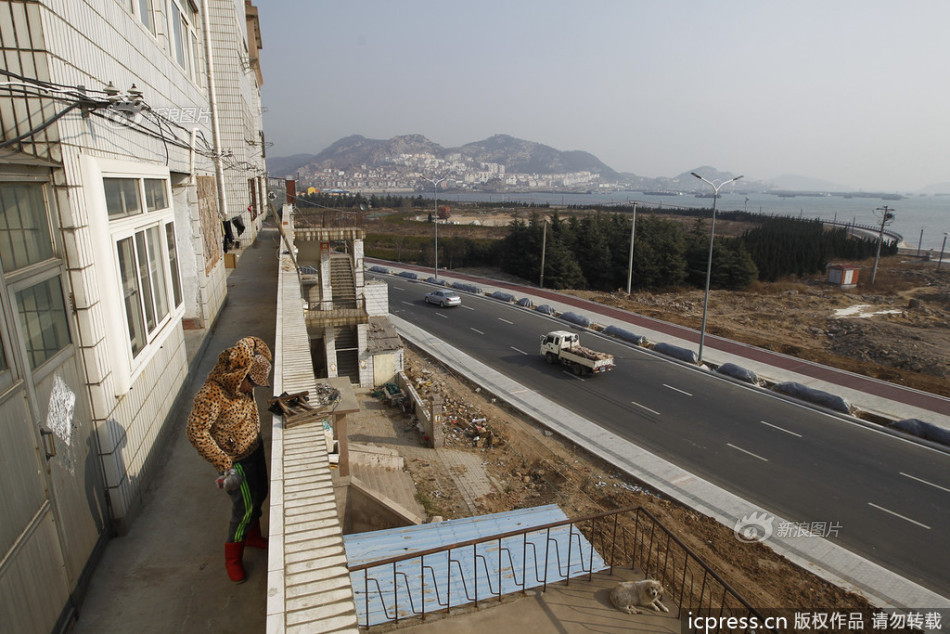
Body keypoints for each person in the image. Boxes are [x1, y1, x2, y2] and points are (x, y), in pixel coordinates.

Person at [187, 335, 273, 583]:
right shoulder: (211, 395)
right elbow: (195, 432)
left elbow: (254, 343)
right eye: (252, 384)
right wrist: (223, 463)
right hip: (234, 463)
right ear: (240, 377)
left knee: (260, 494)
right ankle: (233, 558)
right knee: (243, 508)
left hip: (254, 448)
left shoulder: (242, 382)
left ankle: (253, 537)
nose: (252, 389)